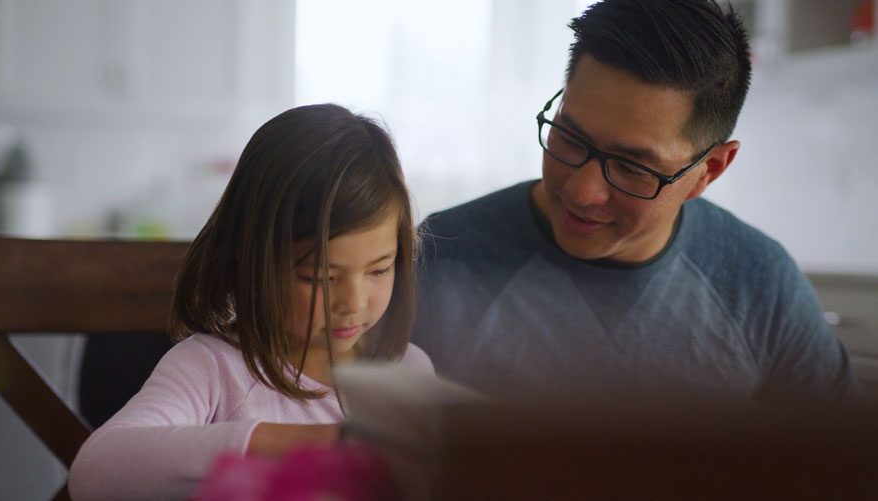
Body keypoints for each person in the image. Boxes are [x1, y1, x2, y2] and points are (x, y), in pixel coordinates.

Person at [412, 0, 859, 404]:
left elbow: (847, 468)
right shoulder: (440, 257)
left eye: (633, 169)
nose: (583, 191)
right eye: (569, 138)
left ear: (710, 170)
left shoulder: (759, 287)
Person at [69, 104, 433, 499]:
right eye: (320, 278)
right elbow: (95, 471)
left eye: (379, 270)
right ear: (252, 256)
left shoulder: (407, 369)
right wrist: (312, 442)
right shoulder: (213, 369)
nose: (353, 302)